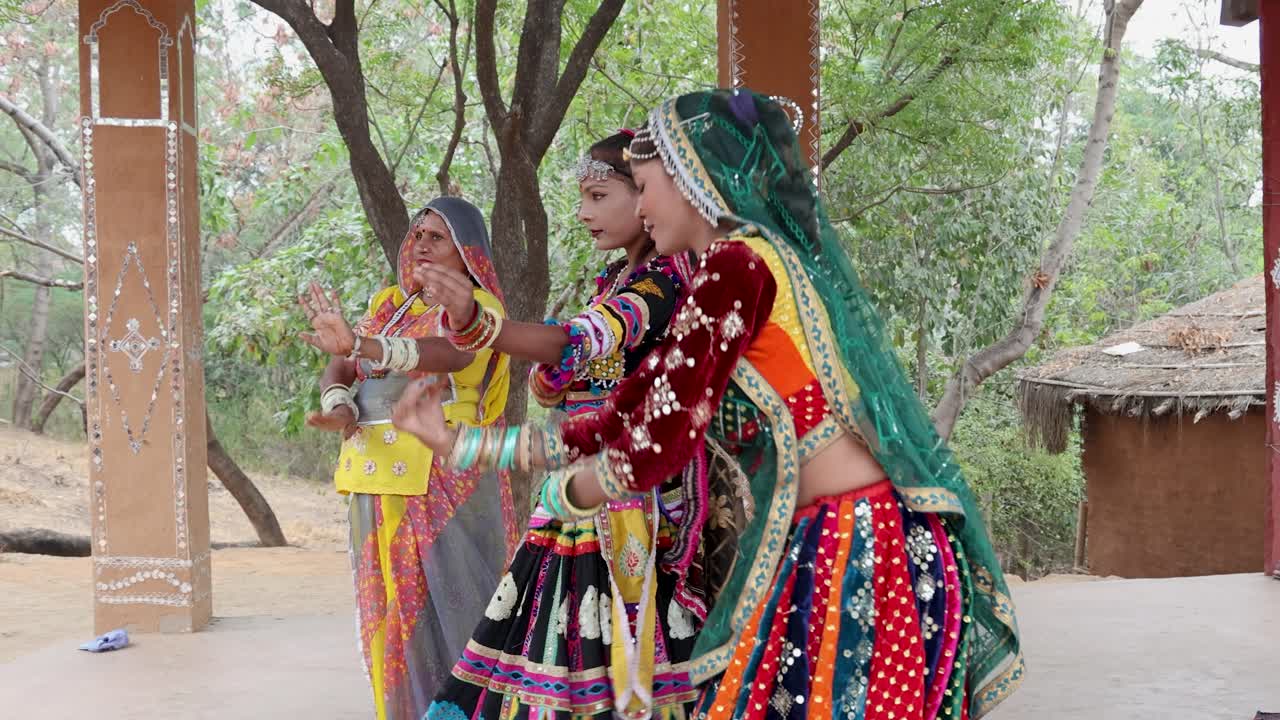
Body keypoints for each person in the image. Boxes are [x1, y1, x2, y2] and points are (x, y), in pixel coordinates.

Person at [392, 90, 1024, 719]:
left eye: (643, 186)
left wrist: (578, 490)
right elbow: (630, 413)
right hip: (830, 536)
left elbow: (663, 435)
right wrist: (467, 444)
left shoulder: (736, 267)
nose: (642, 208)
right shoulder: (730, 270)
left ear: (692, 174)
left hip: (858, 543)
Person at [414, 132, 704, 720]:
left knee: (609, 651)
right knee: (554, 642)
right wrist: (555, 375)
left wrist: (481, 323)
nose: (583, 213)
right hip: (580, 488)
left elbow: (583, 341)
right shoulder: (615, 283)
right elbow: (571, 371)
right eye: (581, 198)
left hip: (629, 500)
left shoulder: (664, 284)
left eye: (601, 195)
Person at [300, 196, 518, 720]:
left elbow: (449, 354)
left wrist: (369, 347)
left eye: (436, 237)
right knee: (390, 616)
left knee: (455, 603)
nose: (420, 243)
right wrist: (338, 402)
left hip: (445, 478)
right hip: (376, 476)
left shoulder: (480, 308)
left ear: (466, 253)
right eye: (416, 234)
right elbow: (342, 363)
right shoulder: (387, 304)